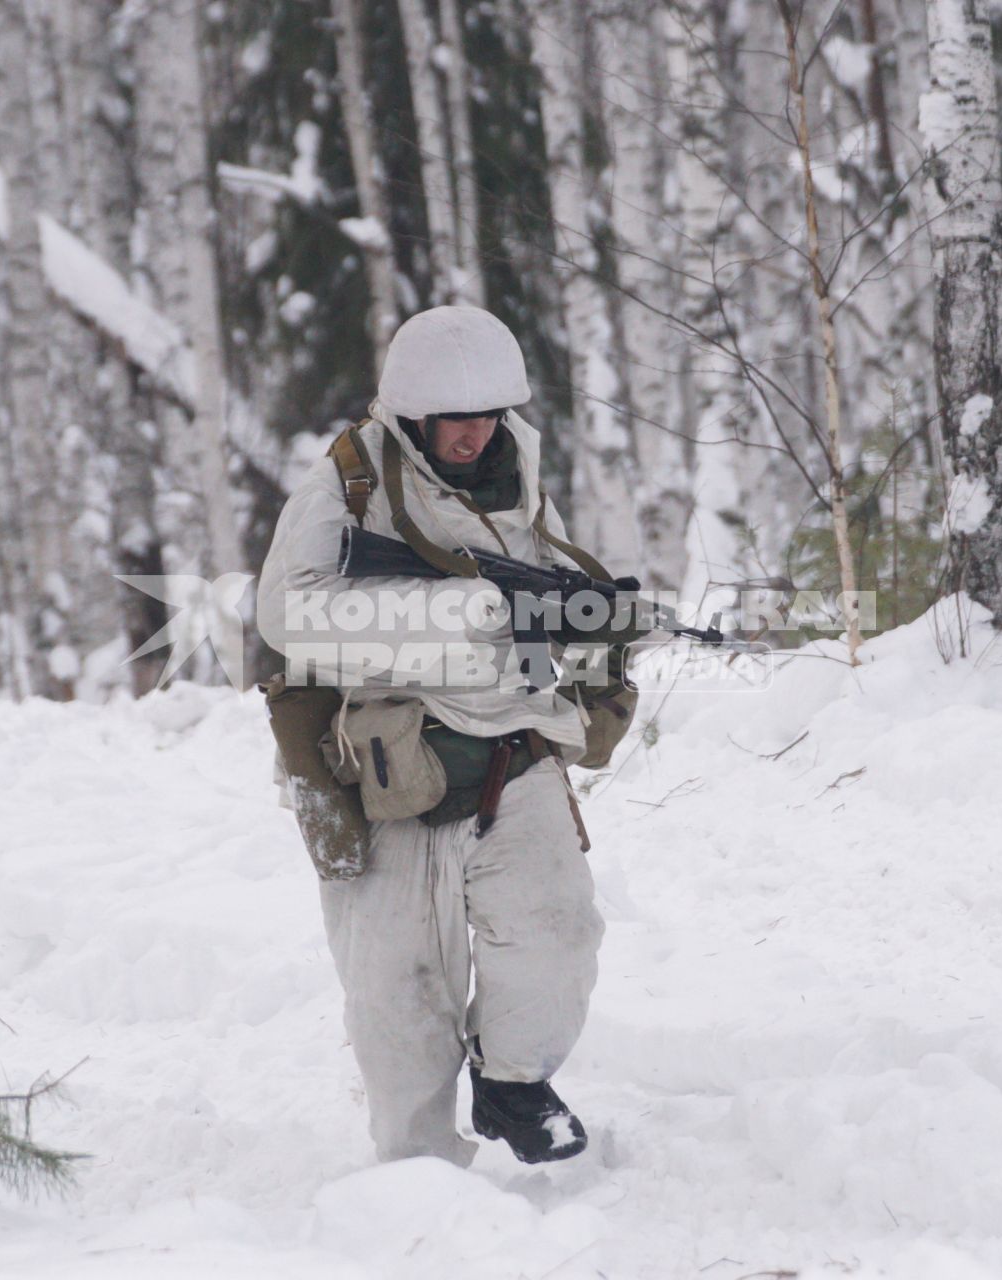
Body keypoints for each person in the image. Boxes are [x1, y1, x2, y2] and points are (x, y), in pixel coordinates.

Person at [256, 305, 611, 1167]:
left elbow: (540, 568)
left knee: (556, 936)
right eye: (457, 418)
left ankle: (514, 1082)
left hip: (512, 746)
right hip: (386, 770)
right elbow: (289, 615)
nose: (475, 432)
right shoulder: (348, 486)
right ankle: (417, 1192)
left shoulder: (515, 467)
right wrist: (478, 609)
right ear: (415, 413)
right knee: (397, 1003)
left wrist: (581, 612)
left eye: (488, 413)